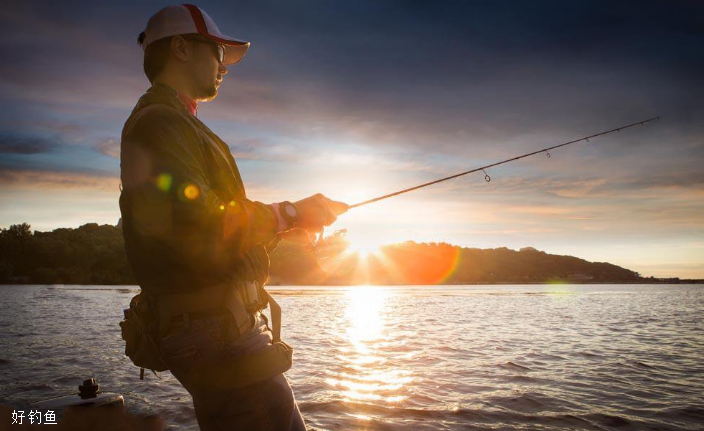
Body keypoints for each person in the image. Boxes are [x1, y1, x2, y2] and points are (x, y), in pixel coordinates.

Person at [119, 4, 347, 430]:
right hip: (214, 332)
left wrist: (286, 227)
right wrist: (290, 212)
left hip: (216, 327)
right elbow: (196, 220)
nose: (225, 67)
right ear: (182, 49)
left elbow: (203, 236)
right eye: (218, 53)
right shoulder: (160, 124)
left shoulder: (175, 124)